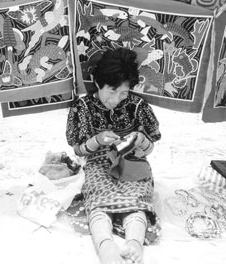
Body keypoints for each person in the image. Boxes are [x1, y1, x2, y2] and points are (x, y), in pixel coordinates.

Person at [66, 48, 161, 264]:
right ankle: (106, 247)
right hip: (98, 164)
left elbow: (150, 147)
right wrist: (97, 140)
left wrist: (140, 141)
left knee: (137, 201)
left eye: (124, 93)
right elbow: (78, 150)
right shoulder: (82, 108)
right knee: (98, 200)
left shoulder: (137, 106)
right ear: (98, 83)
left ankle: (134, 243)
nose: (117, 99)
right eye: (112, 90)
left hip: (133, 163)